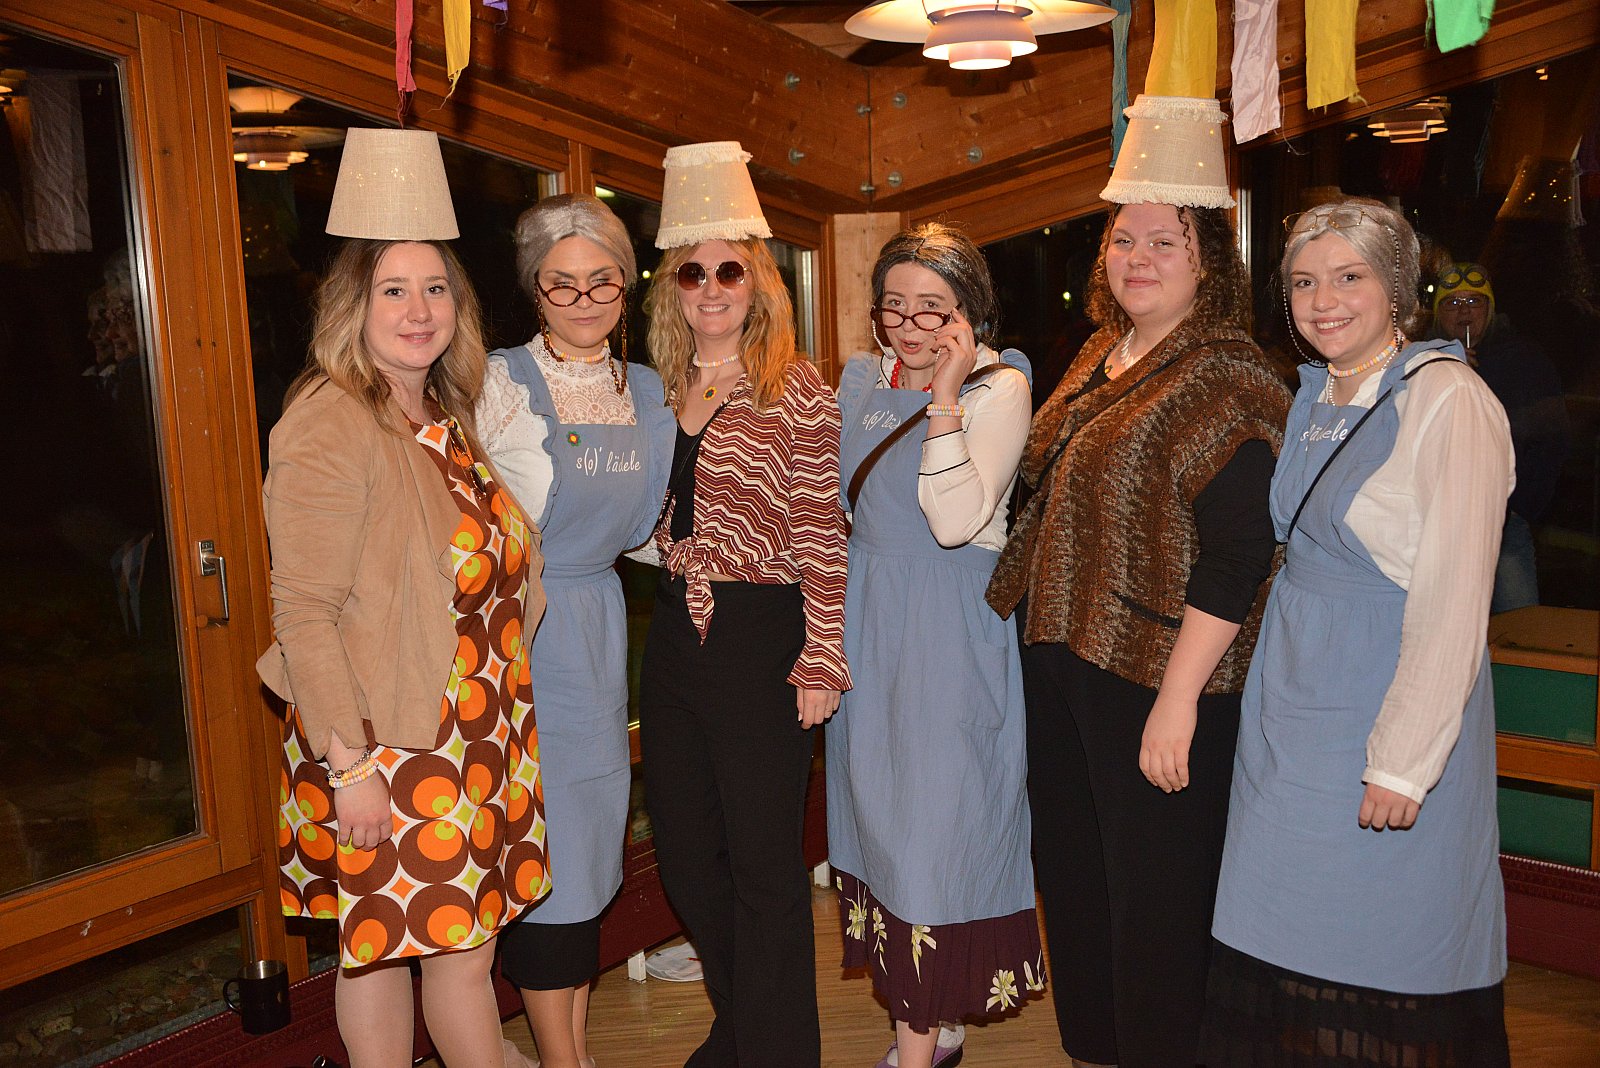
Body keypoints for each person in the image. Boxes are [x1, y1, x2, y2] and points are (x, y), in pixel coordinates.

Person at [986, 96, 1291, 1068]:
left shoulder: (1230, 376)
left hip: (1159, 678)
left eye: (1165, 242)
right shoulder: (1099, 356)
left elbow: (1241, 554)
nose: (1138, 258)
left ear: (1208, 263)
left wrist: (1177, 701)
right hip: (1064, 661)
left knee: (1159, 909)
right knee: (1079, 891)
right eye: (1123, 240)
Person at [259, 129, 547, 1068]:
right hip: (390, 743)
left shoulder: (441, 415)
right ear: (354, 305)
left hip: (477, 732)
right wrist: (351, 769)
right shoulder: (330, 420)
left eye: (434, 289)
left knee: (382, 947)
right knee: (453, 962)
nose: (418, 310)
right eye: (393, 290)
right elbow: (302, 612)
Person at [1204, 198, 1514, 1066]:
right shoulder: (1315, 393)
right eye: (1304, 282)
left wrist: (1404, 761)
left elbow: (1456, 596)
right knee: (1277, 934)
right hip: (1293, 710)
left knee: (1386, 941)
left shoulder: (1448, 398)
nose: (1323, 300)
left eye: (1349, 277)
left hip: (1379, 703)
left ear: (1398, 285)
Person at [639, 141, 851, 1068]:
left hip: (762, 632)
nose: (712, 288)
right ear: (674, 290)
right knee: (688, 858)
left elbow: (821, 530)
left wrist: (822, 654)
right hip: (674, 633)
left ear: (759, 282)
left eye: (730, 270)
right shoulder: (654, 389)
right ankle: (742, 1030)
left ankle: (775, 1051)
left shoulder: (796, 387)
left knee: (765, 866)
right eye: (693, 273)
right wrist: (679, 427)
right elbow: (640, 514)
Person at [827, 223, 1038, 1068]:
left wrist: (946, 394)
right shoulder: (859, 380)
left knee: (935, 833)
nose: (911, 327)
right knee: (882, 824)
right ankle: (933, 1028)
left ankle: (918, 1051)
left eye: (933, 309)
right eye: (894, 307)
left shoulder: (998, 386)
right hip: (868, 619)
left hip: (947, 631)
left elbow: (954, 521)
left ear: (970, 312)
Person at [476, 194, 674, 1068]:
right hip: (522, 627)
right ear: (535, 290)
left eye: (603, 282)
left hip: (598, 625)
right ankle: (561, 1058)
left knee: (590, 846)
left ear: (626, 287)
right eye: (563, 284)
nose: (585, 300)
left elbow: (648, 535)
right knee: (541, 845)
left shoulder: (648, 389)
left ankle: (574, 1048)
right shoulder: (499, 382)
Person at [1431, 261, 1570, 613]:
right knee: (1443, 623)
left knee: (1518, 622)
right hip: (1435, 523)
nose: (1464, 311)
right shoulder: (1419, 362)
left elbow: (1552, 435)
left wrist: (1521, 503)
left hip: (1503, 521)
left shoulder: (1524, 360)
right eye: (1452, 303)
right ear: (1438, 313)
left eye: (1474, 301)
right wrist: (1439, 368)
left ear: (1490, 309)